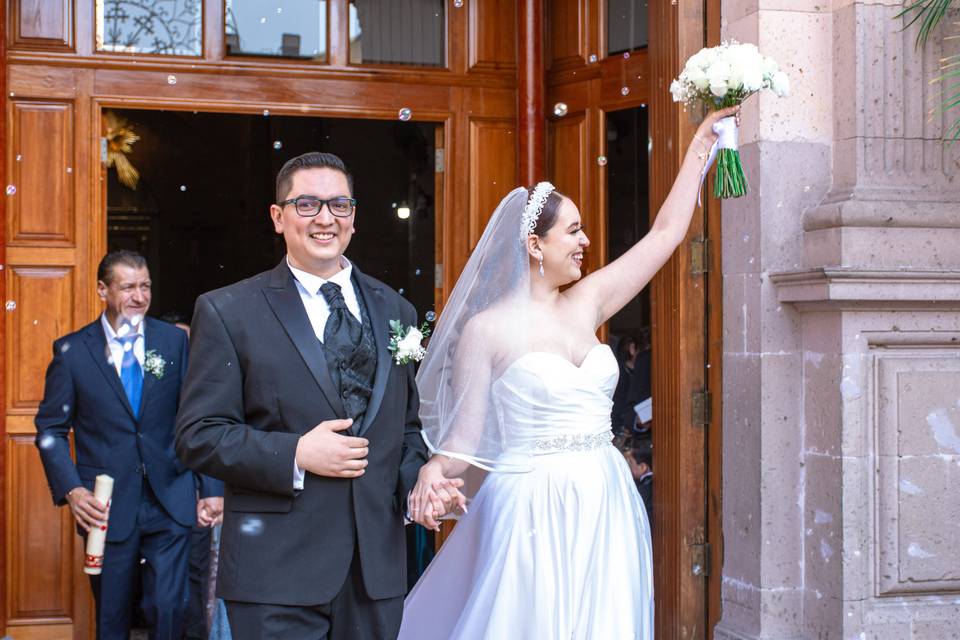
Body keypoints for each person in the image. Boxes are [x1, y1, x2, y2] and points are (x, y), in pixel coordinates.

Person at [399, 105, 739, 639]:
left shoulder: (590, 300)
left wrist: (702, 143)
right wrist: (431, 473)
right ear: (534, 245)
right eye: (573, 231)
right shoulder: (485, 330)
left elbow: (667, 233)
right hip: (531, 501)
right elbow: (462, 441)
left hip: (605, 493)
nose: (585, 242)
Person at [175, 152, 452, 639]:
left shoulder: (398, 309)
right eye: (307, 204)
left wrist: (421, 484)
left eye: (339, 205)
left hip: (374, 573)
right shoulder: (228, 311)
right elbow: (198, 435)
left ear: (354, 218)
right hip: (275, 573)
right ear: (278, 217)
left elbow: (406, 429)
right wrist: (296, 452)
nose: (325, 218)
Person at [34, 250, 224, 640]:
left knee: (169, 606)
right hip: (106, 505)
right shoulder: (72, 352)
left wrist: (211, 489)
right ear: (103, 290)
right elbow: (50, 429)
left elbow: (196, 417)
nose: (139, 296)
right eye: (128, 287)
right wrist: (72, 490)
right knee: (112, 614)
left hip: (170, 493)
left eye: (145, 286)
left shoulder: (173, 341)